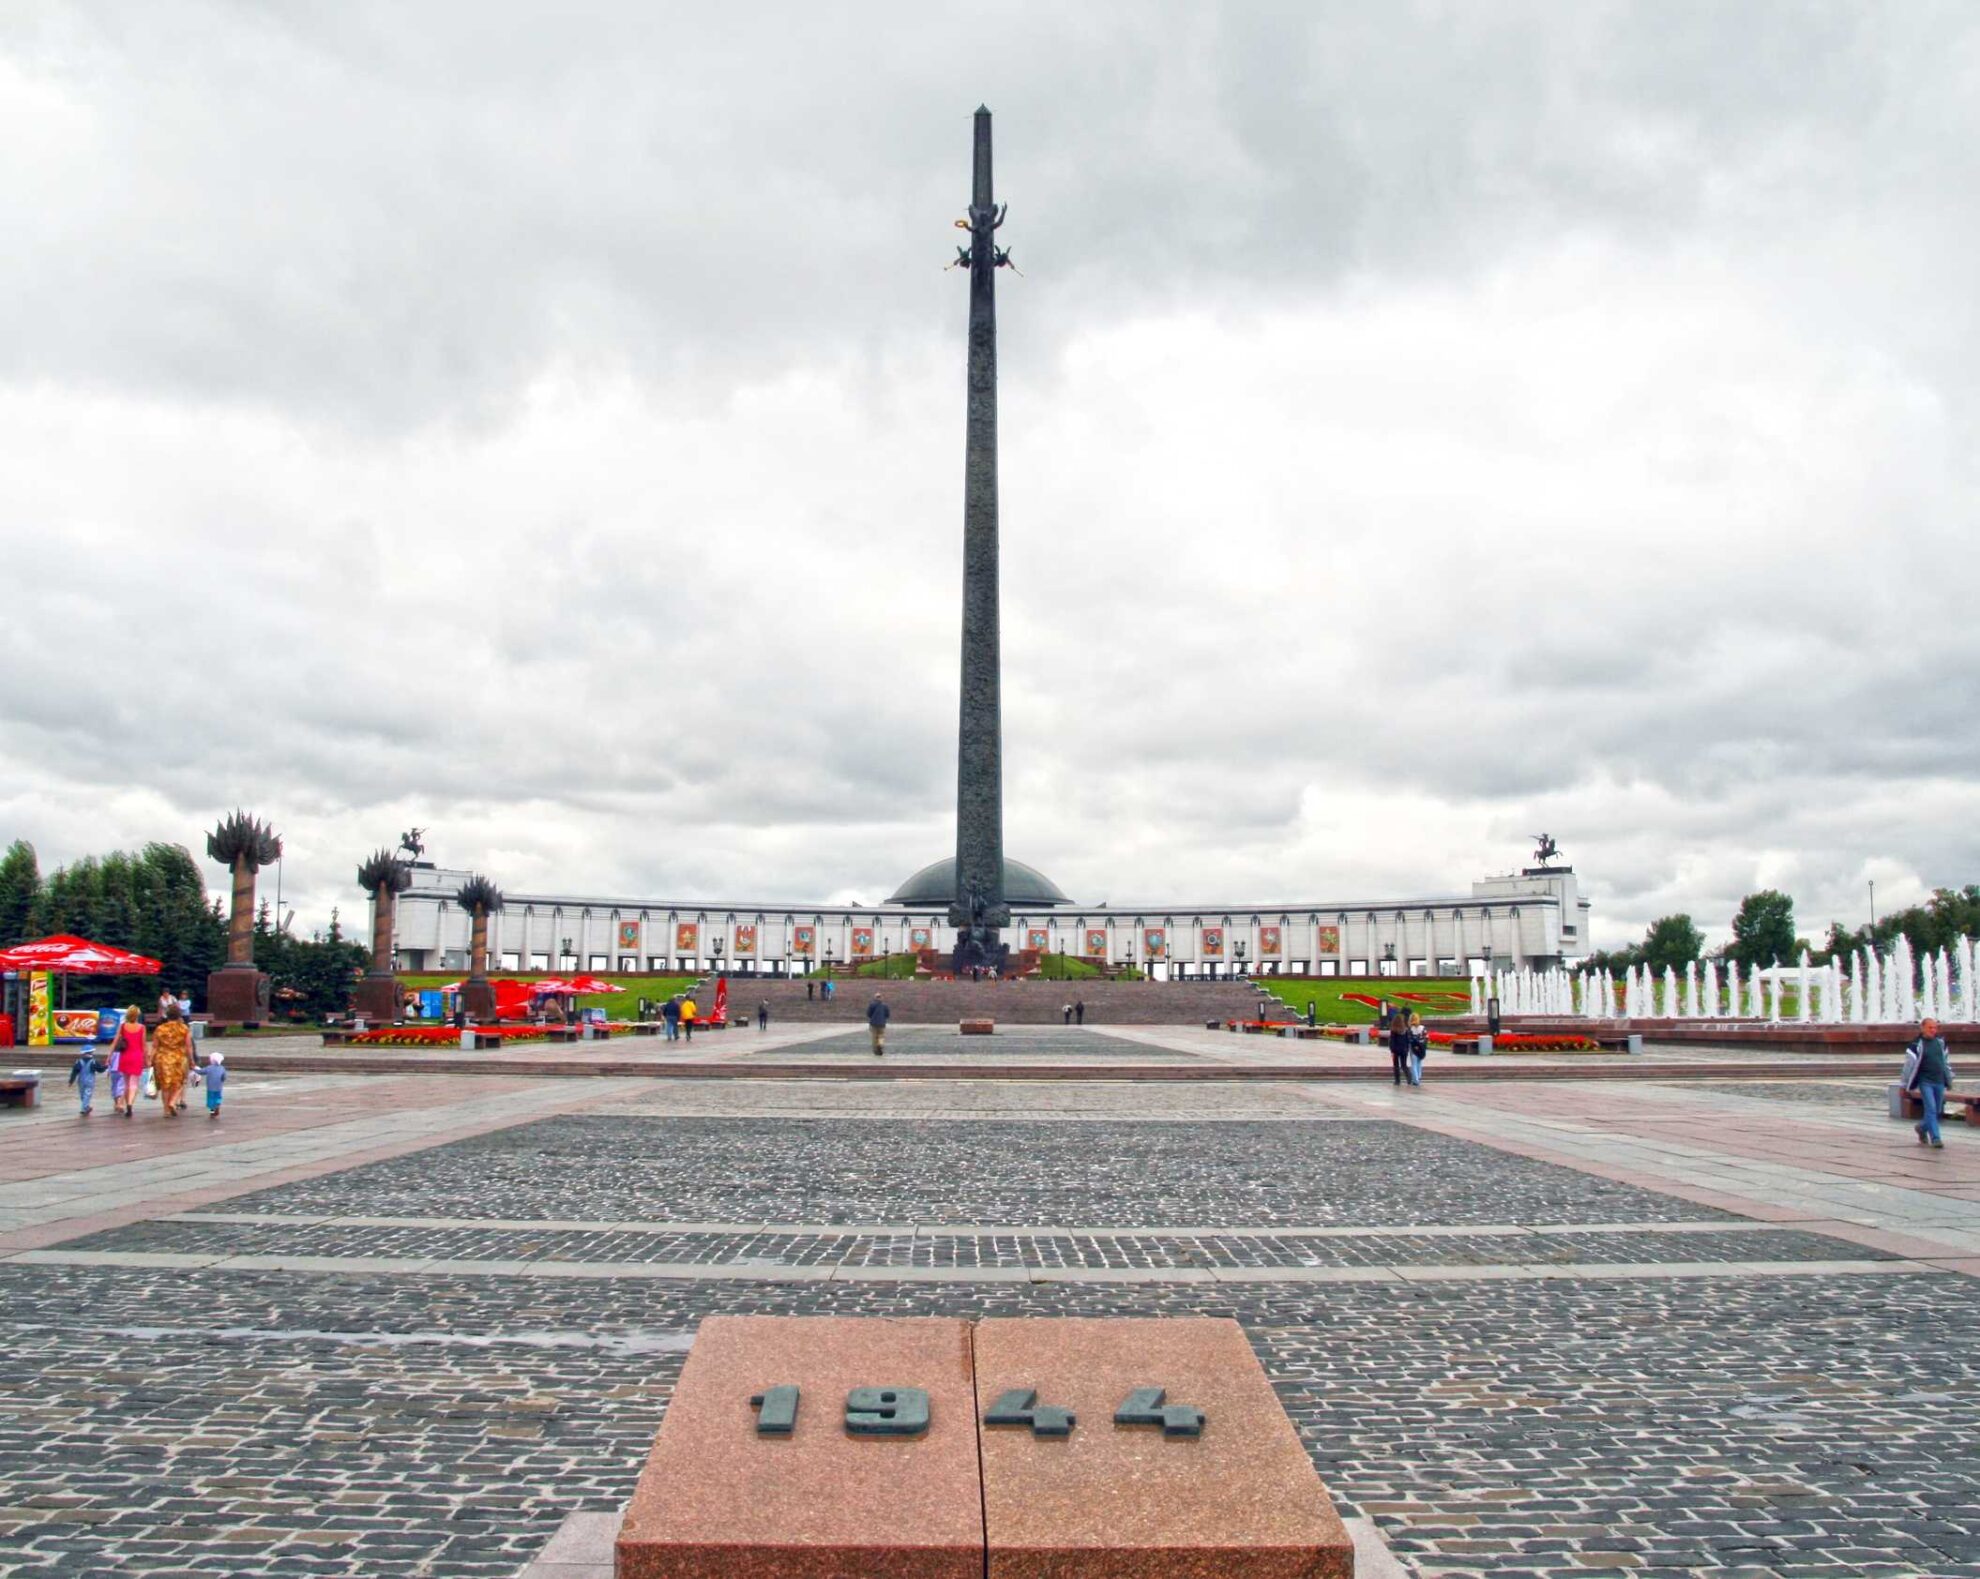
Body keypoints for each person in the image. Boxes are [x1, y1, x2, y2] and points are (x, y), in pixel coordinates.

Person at [1904, 1017, 1953, 1150]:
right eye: (1930, 1027)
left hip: (1939, 1081)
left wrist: (1949, 1077)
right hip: (1925, 1082)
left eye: (1935, 1027)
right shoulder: (1916, 1045)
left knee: (1936, 1110)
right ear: (1922, 1028)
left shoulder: (1940, 1043)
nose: (1933, 1030)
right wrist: (1904, 1084)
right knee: (1931, 1109)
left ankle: (1921, 1128)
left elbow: (1945, 1062)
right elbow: (1909, 1066)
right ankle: (1936, 1138)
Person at [151, 1003, 195, 1117]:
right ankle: (173, 1102)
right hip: (178, 1059)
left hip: (162, 1059)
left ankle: (166, 1110)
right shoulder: (184, 1028)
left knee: (165, 1085)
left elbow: (155, 1046)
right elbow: (189, 1046)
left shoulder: (160, 1028)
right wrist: (191, 1061)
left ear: (167, 1015)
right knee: (179, 1083)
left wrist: (150, 1060)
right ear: (179, 1015)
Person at [110, 1005, 146, 1119]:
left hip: (125, 1056)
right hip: (137, 1056)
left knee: (126, 1083)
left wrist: (109, 1056)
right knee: (134, 1083)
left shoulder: (122, 1026)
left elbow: (115, 1042)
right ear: (137, 1016)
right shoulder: (142, 1027)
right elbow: (144, 1045)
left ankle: (125, 1104)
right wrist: (148, 1059)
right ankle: (130, 1104)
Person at [68, 1043, 103, 1116]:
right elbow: (100, 1070)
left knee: (82, 1095)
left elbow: (74, 1072)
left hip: (81, 1081)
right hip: (90, 1081)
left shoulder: (78, 1062)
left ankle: (86, 1107)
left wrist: (71, 1081)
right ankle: (84, 1108)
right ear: (91, 1052)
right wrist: (106, 1066)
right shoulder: (93, 1061)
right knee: (87, 1094)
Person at [1387, 1011, 1411, 1088]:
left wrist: (1392, 1050)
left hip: (1396, 1050)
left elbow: (1392, 1041)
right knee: (1404, 1065)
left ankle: (1397, 1081)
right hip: (1404, 1050)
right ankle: (1409, 1079)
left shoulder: (1394, 1030)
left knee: (1396, 1066)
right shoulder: (1406, 1030)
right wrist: (1407, 1049)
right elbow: (1408, 1040)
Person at [202, 1049, 227, 1119]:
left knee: (211, 1100)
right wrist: (222, 1080)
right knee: (218, 1098)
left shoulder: (209, 1068)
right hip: (219, 1087)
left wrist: (194, 1069)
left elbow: (202, 1072)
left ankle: (212, 1113)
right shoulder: (222, 1068)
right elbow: (224, 1077)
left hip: (210, 1088)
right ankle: (218, 1105)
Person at [1407, 1012, 1428, 1088]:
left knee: (1414, 1064)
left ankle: (1416, 1080)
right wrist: (1422, 1046)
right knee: (1419, 1063)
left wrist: (1416, 1045)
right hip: (1422, 1048)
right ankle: (1418, 1077)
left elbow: (1410, 1039)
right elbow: (1426, 1038)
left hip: (1414, 1049)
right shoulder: (1423, 1028)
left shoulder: (1410, 1029)